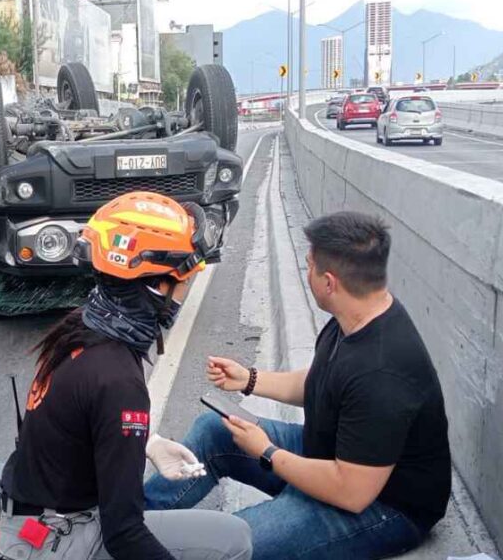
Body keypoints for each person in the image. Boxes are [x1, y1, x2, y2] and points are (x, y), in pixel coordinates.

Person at [144, 211, 452, 559]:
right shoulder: (356, 317)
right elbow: (322, 382)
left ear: (329, 282)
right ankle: (128, 526)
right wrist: (250, 379)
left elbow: (351, 492)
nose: (306, 273)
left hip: (383, 507)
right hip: (329, 455)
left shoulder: (382, 372)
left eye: (309, 266)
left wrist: (268, 452)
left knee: (231, 544)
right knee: (215, 430)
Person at [0, 192, 252, 560]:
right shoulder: (118, 379)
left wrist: (144, 441)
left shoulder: (81, 327)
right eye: (181, 282)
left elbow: (77, 417)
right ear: (154, 286)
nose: (183, 293)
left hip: (32, 519)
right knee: (235, 538)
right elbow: (125, 534)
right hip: (59, 539)